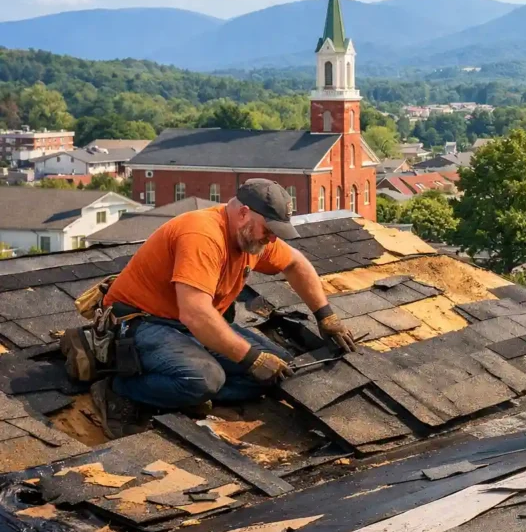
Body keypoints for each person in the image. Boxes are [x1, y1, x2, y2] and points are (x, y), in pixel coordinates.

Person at [90, 178, 357, 437]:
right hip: (142, 323)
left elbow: (295, 264)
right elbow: (195, 313)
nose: (271, 240)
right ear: (243, 213)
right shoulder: (203, 235)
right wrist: (252, 358)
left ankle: (181, 392)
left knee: (279, 372)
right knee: (205, 379)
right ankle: (120, 388)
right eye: (268, 230)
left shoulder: (252, 238)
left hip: (190, 324)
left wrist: (326, 316)